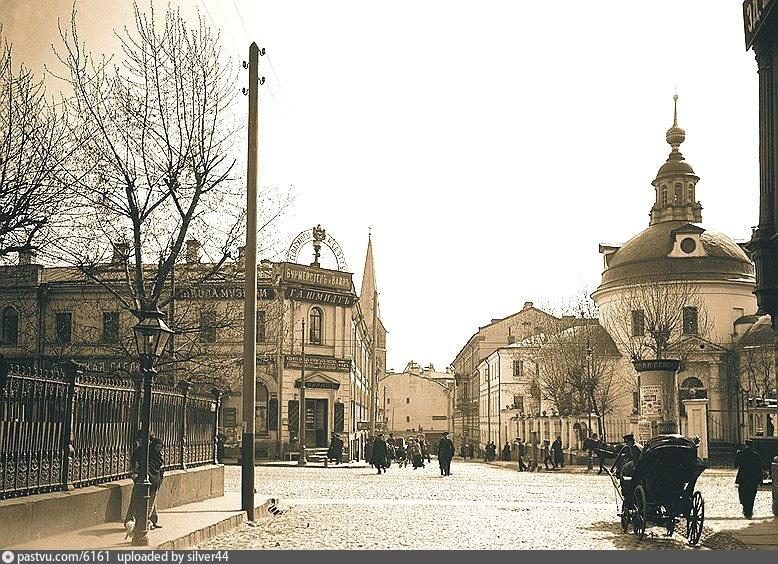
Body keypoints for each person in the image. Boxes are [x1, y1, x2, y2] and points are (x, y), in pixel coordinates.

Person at [611, 434, 642, 510]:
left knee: (629, 482)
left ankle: (629, 500)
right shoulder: (638, 445)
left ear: (630, 442)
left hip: (639, 470)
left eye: (627, 442)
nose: (626, 444)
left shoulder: (634, 448)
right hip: (643, 468)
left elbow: (637, 461)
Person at [734, 440, 763, 518]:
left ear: (745, 446)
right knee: (751, 495)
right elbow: (759, 468)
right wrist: (761, 480)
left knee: (743, 494)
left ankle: (745, 508)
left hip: (743, 478)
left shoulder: (741, 454)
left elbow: (736, 464)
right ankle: (749, 511)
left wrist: (737, 455)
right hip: (753, 478)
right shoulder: (756, 456)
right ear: (752, 447)